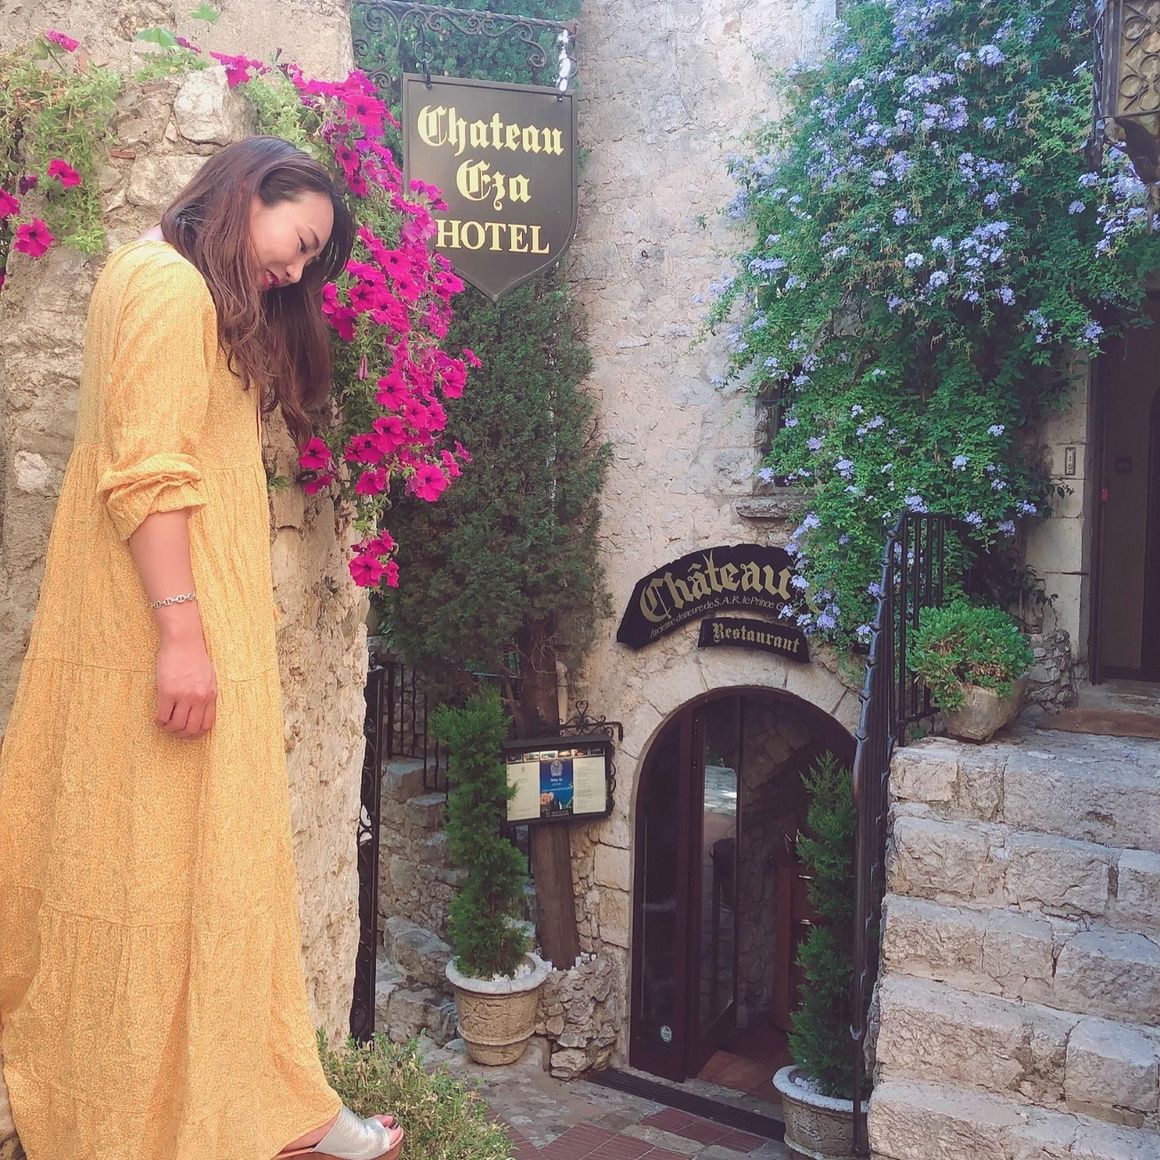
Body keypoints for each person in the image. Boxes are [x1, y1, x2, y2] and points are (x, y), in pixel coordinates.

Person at [0, 136, 405, 1160]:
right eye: (298, 241)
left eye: (311, 260)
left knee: (182, 865)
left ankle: (243, 1097)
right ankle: (167, 1111)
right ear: (248, 193)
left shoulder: (166, 283)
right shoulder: (170, 288)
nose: (297, 271)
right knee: (157, 870)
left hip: (173, 626)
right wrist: (182, 634)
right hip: (160, 629)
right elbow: (147, 473)